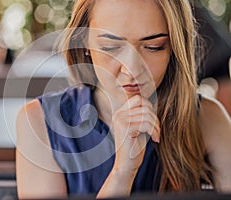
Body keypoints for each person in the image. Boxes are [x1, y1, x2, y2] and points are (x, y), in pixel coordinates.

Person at [16, 0, 231, 199]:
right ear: (83, 42)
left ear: (174, 48)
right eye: (111, 47)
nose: (132, 69)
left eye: (154, 47)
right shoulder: (39, 121)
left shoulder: (207, 119)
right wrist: (122, 172)